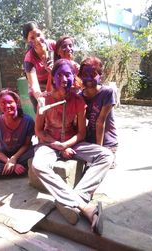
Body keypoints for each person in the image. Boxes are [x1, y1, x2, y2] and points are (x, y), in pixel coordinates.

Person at [31, 59, 113, 235]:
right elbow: (38, 130)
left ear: (73, 77)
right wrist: (57, 146)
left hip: (72, 142)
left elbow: (81, 134)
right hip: (49, 144)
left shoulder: (78, 101)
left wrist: (66, 145)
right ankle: (84, 206)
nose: (64, 78)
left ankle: (70, 199)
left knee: (106, 155)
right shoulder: (44, 100)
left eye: (68, 74)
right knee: (38, 165)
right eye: (59, 74)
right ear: (53, 78)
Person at [78, 56, 118, 168]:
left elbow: (100, 122)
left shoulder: (107, 93)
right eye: (85, 75)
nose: (89, 79)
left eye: (93, 74)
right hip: (89, 139)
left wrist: (98, 151)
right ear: (80, 76)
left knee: (104, 164)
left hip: (107, 142)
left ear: (100, 75)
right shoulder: (80, 97)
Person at [23, 21, 56, 113]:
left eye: (38, 35)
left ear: (43, 34)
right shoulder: (29, 59)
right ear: (27, 41)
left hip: (55, 83)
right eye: (32, 38)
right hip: (39, 88)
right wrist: (39, 96)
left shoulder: (53, 45)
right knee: (42, 116)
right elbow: (34, 84)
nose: (37, 40)